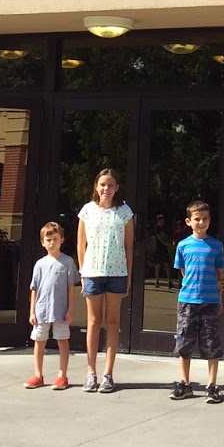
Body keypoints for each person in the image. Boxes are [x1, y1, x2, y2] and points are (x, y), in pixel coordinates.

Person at [76, 167, 134, 393]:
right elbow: (81, 244)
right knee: (93, 321)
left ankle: (108, 374)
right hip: (93, 272)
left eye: (110, 185)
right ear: (96, 186)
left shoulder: (125, 212)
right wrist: (83, 271)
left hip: (117, 273)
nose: (106, 189)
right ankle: (91, 372)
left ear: (117, 187)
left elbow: (129, 246)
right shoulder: (87, 211)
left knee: (112, 322)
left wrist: (128, 276)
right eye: (102, 184)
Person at [171, 199, 224, 404]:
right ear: (188, 221)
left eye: (204, 219)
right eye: (197, 219)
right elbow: (184, 271)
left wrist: (219, 297)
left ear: (210, 220)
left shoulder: (216, 246)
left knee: (211, 343)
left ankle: (212, 385)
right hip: (187, 301)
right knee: (184, 343)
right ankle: (185, 384)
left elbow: (220, 274)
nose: (201, 223)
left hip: (210, 300)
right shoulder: (183, 246)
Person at [26, 220, 79, 389]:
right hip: (42, 310)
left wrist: (70, 309)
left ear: (62, 239)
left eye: (55, 239)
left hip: (60, 309)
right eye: (48, 240)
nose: (52, 243)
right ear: (42, 242)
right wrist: (32, 311)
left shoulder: (67, 262)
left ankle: (62, 375)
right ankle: (38, 374)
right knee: (39, 340)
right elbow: (34, 288)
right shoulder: (39, 264)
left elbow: (71, 287)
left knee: (62, 340)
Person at [152, 212, 172, 289]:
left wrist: (168, 242)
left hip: (164, 248)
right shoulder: (156, 227)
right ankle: (156, 280)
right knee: (157, 264)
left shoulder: (166, 227)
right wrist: (165, 242)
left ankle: (169, 281)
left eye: (162, 219)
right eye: (159, 219)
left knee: (167, 264)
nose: (161, 220)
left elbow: (168, 236)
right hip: (159, 247)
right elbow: (158, 236)